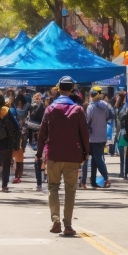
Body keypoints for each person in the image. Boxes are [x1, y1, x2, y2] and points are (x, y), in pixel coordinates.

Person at [37, 76, 90, 236]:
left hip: (53, 155)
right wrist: (86, 153)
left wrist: (39, 154)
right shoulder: (78, 110)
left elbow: (42, 134)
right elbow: (84, 134)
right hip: (73, 156)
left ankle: (55, 220)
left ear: (58, 89)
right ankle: (68, 225)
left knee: (53, 187)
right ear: (72, 89)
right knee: (70, 190)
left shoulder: (50, 109)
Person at [83, 86, 113, 188]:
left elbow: (87, 120)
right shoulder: (106, 106)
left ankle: (106, 178)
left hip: (92, 137)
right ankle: (93, 181)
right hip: (102, 136)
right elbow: (108, 117)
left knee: (97, 159)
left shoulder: (91, 107)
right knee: (95, 159)